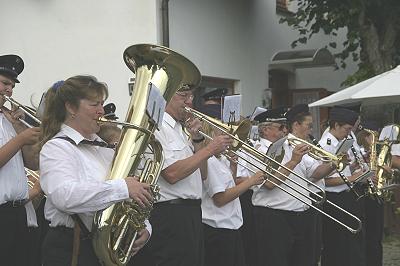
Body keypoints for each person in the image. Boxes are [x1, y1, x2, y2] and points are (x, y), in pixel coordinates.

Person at [39, 76, 153, 266]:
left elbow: (127, 199)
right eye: (94, 104)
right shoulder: (56, 148)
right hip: (72, 247)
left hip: (109, 244)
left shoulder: (103, 147)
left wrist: (144, 227)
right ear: (71, 108)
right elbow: (63, 196)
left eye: (102, 103)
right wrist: (122, 187)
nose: (101, 111)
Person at [143, 85, 232, 266]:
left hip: (190, 212)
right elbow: (172, 174)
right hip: (170, 214)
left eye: (191, 96)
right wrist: (209, 149)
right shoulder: (157, 128)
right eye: (183, 95)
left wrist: (198, 141)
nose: (189, 101)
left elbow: (202, 174)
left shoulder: (180, 130)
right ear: (166, 97)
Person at [252, 104, 335, 266]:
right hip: (274, 217)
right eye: (281, 126)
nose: (285, 130)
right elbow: (269, 183)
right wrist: (293, 161)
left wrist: (334, 164)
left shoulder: (290, 145)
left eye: (285, 126)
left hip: (300, 215)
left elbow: (314, 173)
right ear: (265, 130)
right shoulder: (258, 149)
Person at [198, 103, 265, 266]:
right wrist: (251, 181)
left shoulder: (220, 159)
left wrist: (233, 167)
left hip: (229, 227)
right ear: (211, 132)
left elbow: (229, 186)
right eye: (222, 131)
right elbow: (220, 199)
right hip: (218, 230)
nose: (228, 134)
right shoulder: (210, 160)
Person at [0, 54, 42, 266]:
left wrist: (19, 129)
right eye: (5, 83)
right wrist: (20, 139)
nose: (9, 90)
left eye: (12, 86)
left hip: (20, 214)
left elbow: (33, 164)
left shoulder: (7, 119)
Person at [319, 107, 366, 266]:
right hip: (334, 198)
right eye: (346, 129)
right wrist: (353, 177)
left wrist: (352, 169)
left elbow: (340, 171)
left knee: (348, 242)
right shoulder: (327, 144)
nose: (348, 133)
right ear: (336, 125)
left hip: (346, 195)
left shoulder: (341, 141)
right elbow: (325, 180)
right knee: (335, 244)